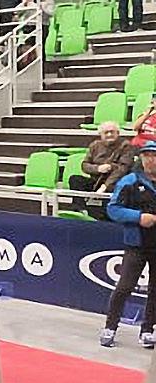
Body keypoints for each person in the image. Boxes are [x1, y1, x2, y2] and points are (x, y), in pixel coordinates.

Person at [100, 140, 156, 348]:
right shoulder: (129, 181)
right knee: (124, 287)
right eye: (146, 155)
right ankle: (110, 327)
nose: (150, 160)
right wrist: (138, 217)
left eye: (154, 155)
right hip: (136, 245)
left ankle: (148, 329)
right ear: (141, 158)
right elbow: (113, 209)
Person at [69, 121, 134, 217]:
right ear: (100, 134)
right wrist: (98, 168)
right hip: (96, 180)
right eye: (106, 132)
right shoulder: (94, 145)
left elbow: (122, 168)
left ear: (118, 133)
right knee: (75, 179)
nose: (109, 134)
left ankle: (105, 216)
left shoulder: (126, 145)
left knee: (115, 188)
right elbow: (85, 165)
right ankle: (80, 211)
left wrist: (105, 185)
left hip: (114, 182)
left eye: (112, 132)